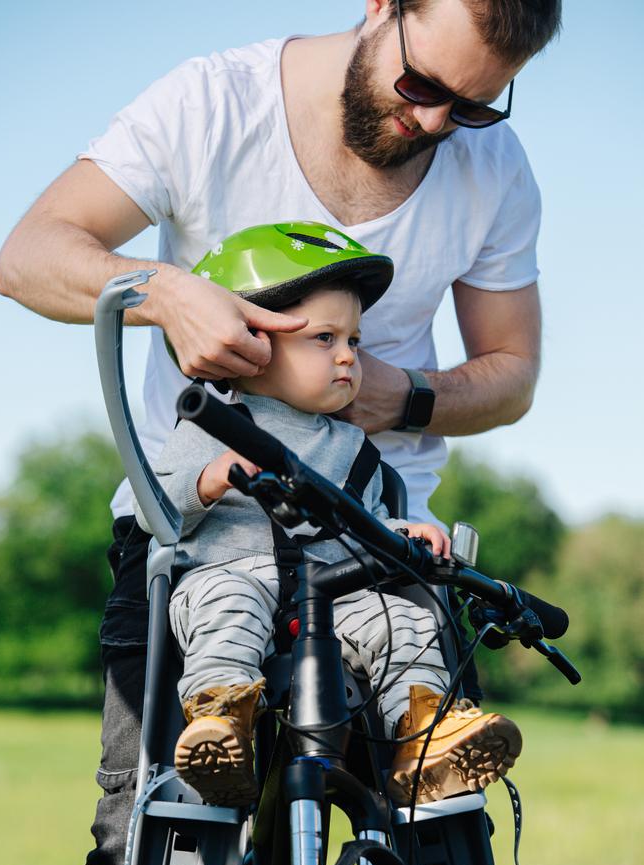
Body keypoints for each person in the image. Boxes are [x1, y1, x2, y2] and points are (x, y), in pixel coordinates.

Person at [0, 1, 562, 865]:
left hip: (371, 550)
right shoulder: (212, 103)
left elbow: (512, 374)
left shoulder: (495, 170)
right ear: (382, 8)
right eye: (423, 86)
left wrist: (405, 397)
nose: (436, 124)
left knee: (445, 854)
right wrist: (160, 288)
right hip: (202, 542)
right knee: (155, 849)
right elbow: (26, 256)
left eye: (474, 106)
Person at [133, 222, 522, 810]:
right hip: (235, 576)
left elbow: (358, 526)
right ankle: (220, 724)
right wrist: (207, 479)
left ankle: (424, 737)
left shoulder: (352, 448)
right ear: (248, 344)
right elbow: (151, 509)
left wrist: (402, 533)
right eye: (324, 338)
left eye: (354, 341)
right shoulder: (211, 426)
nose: (347, 355)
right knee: (228, 607)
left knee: (401, 620)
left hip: (332, 597)